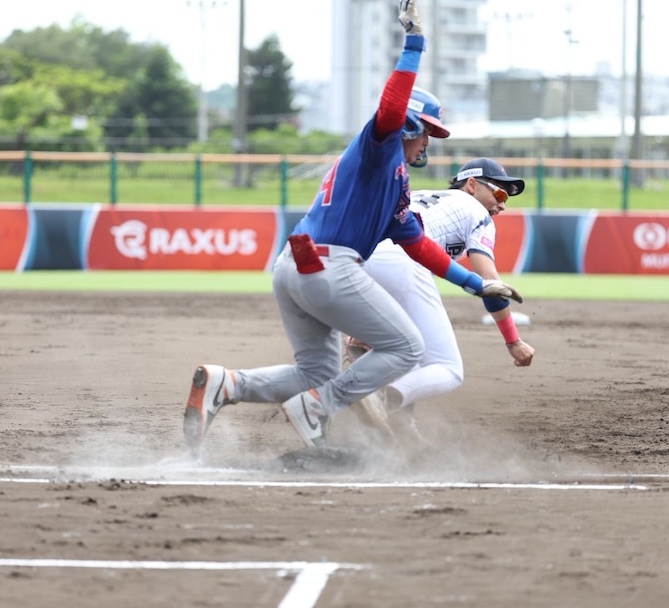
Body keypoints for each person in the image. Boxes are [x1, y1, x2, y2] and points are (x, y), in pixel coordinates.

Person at [181, 0, 523, 456]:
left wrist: (475, 284)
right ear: (411, 124)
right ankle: (319, 409)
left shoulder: (394, 181)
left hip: (294, 266)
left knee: (314, 370)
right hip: (329, 266)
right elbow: (392, 105)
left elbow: (420, 247)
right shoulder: (380, 147)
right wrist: (414, 43)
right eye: (427, 132)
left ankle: (228, 385)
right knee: (406, 347)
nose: (429, 142)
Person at [347, 157, 536, 445]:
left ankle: (397, 423)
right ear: (472, 185)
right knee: (448, 369)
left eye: (507, 197)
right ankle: (379, 396)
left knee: (408, 348)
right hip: (400, 261)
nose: (502, 204)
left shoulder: (425, 197)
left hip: (358, 259)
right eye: (498, 192)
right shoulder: (476, 210)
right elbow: (490, 284)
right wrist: (513, 341)